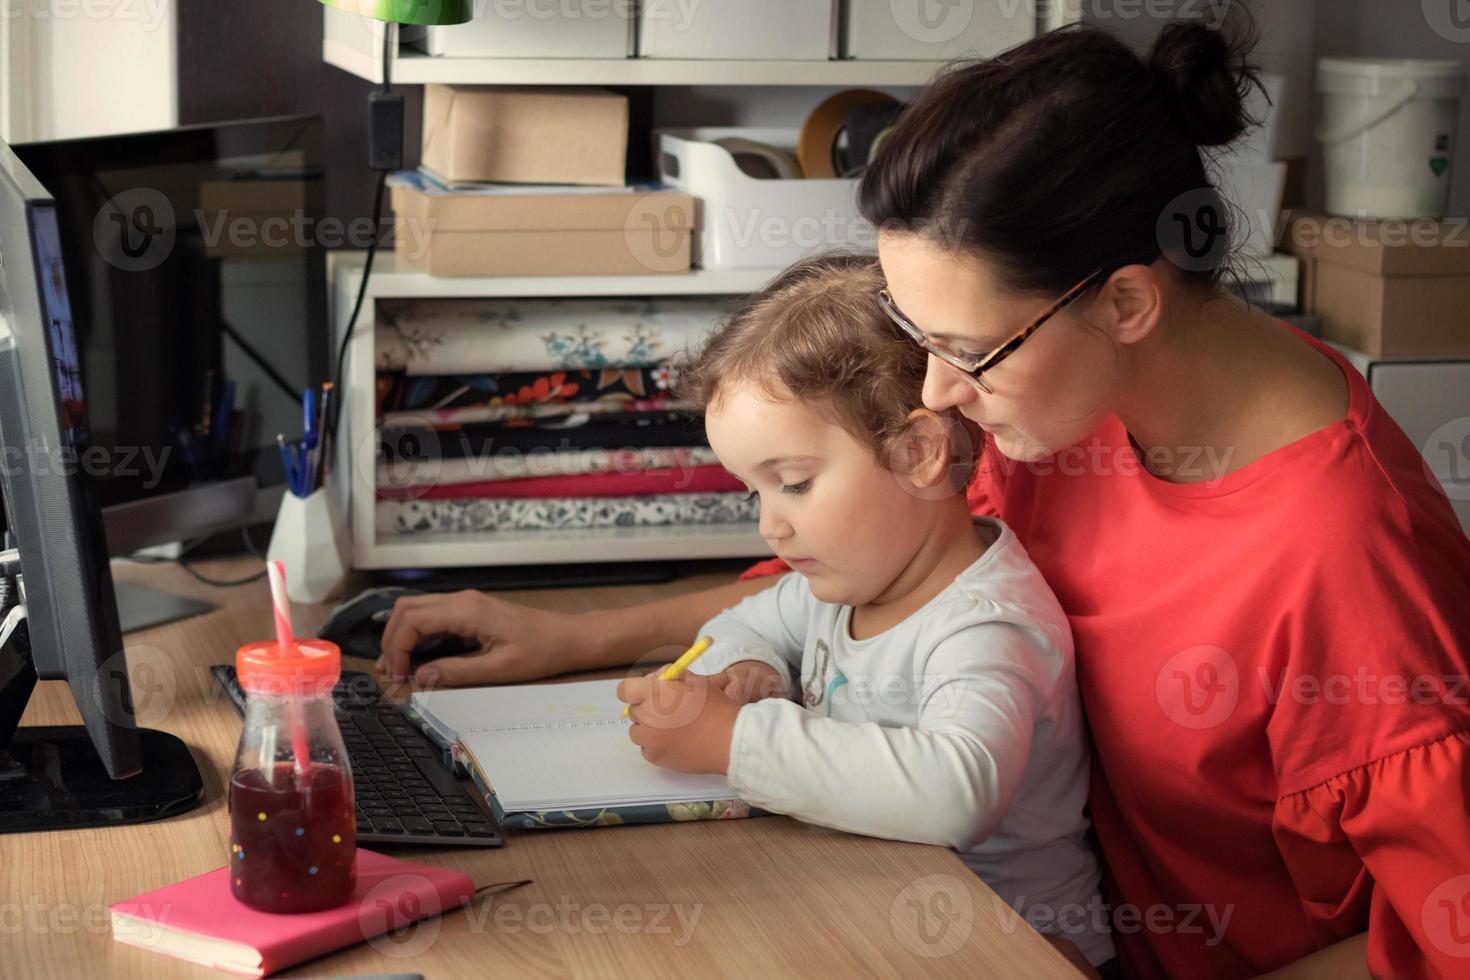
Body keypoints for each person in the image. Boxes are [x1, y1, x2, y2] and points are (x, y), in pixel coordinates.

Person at [380, 17, 1470, 979]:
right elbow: (874, 571)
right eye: (920, 339)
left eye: (965, 350)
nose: (939, 394)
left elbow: (1441, 942)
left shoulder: (1348, 558)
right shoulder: (1057, 404)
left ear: (1129, 299)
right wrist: (572, 633)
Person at [612, 254, 1114, 969]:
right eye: (755, 492)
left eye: (792, 483)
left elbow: (958, 790)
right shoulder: (843, 586)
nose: (769, 528)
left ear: (917, 452)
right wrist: (745, 670)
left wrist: (736, 743)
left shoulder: (987, 622)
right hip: (882, 916)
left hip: (1021, 949)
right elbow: (741, 625)